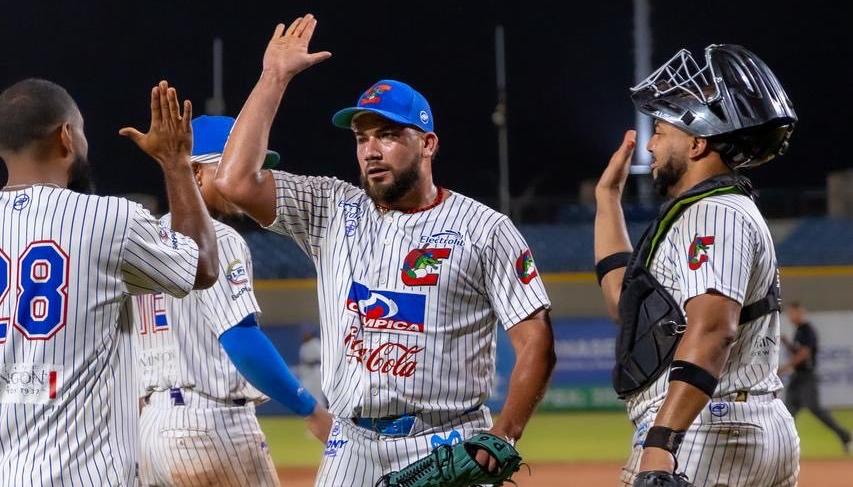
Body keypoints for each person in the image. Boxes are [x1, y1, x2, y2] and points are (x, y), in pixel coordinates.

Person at [213, 14, 556, 486]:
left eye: (389, 135)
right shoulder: (330, 208)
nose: (371, 150)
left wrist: (504, 435)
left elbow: (536, 340)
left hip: (447, 442)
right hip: (349, 444)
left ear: (428, 143)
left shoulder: (485, 230)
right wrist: (274, 77)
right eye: (362, 138)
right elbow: (234, 181)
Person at [594, 45, 800, 486]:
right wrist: (607, 201)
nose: (650, 144)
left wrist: (660, 442)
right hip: (727, 423)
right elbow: (624, 303)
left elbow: (712, 329)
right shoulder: (707, 211)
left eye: (661, 130)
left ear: (697, 141)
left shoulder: (715, 213)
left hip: (710, 429)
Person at [0, 78, 218, 486]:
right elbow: (201, 266)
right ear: (66, 136)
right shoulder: (108, 220)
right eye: (80, 130)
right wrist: (175, 161)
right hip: (85, 474)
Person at [133, 115, 333, 487]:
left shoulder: (144, 238)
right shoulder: (218, 238)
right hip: (211, 426)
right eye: (234, 166)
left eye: (253, 168)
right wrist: (310, 409)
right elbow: (240, 338)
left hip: (151, 430)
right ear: (195, 173)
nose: (249, 179)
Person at [780, 301, 851, 453]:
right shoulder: (799, 331)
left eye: (792, 313)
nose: (790, 316)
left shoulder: (807, 330)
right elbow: (797, 352)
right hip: (797, 378)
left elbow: (804, 354)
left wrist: (785, 367)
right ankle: (783, 446)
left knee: (815, 409)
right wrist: (786, 343)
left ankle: (845, 436)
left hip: (806, 377)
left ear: (800, 312)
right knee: (786, 412)